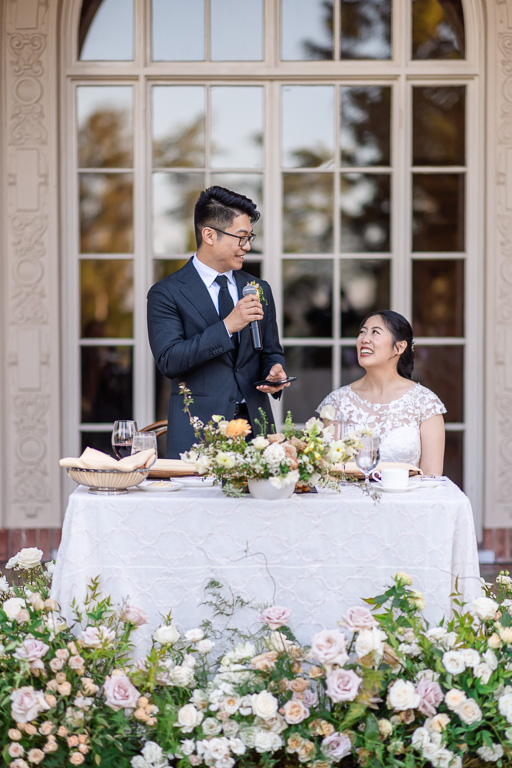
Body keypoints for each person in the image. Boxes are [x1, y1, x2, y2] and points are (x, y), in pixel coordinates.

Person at [147, 186, 289, 458]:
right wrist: (227, 326)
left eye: (250, 238)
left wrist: (275, 371)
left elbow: (270, 351)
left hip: (257, 433)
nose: (247, 246)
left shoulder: (258, 288)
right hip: (198, 431)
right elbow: (169, 360)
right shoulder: (166, 293)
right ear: (209, 235)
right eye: (241, 238)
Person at [317, 310, 446, 475]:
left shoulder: (426, 403)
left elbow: (432, 478)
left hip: (408, 499)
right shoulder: (337, 402)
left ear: (399, 347)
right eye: (362, 332)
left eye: (375, 332)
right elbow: (326, 473)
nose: (364, 339)